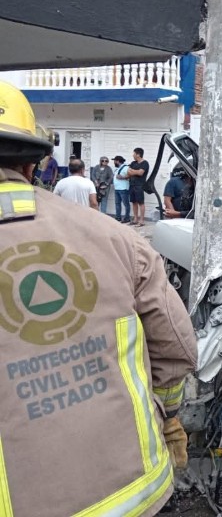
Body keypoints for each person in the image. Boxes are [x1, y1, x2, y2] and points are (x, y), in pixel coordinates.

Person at [0, 80, 197, 516]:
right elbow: (176, 345)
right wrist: (170, 415)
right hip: (137, 491)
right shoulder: (115, 237)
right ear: (34, 166)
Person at [128, 147, 150, 227]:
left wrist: (133, 171)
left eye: (134, 153)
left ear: (138, 154)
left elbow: (141, 173)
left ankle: (142, 221)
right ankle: (135, 219)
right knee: (134, 202)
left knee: (141, 203)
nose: (132, 155)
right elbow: (128, 172)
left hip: (140, 185)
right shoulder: (133, 163)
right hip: (132, 184)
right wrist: (135, 172)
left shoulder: (145, 163)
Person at [112, 154, 131, 223]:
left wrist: (122, 177)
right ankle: (118, 217)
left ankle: (127, 218)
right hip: (117, 188)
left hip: (123, 189)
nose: (114, 162)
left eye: (114, 161)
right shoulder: (118, 168)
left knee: (126, 204)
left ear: (118, 161)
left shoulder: (126, 167)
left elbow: (130, 176)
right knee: (117, 203)